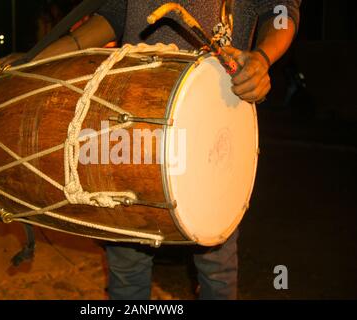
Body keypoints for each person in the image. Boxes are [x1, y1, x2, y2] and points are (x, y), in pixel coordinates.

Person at [26, 0, 301, 299]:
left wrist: (261, 58)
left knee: (216, 264)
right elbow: (117, 13)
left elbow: (281, 9)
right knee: (127, 259)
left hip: (213, 111)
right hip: (132, 106)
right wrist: (39, 59)